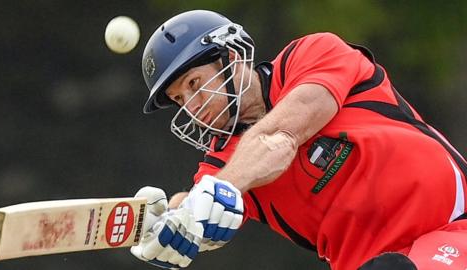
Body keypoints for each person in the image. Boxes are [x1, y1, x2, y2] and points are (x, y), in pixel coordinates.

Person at [129, 9, 467, 270]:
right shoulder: (221, 165)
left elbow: (281, 135)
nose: (192, 106)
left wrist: (220, 188)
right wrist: (167, 221)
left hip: (453, 228)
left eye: (193, 84)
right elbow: (197, 201)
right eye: (179, 99)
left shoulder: (311, 54)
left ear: (230, 59)